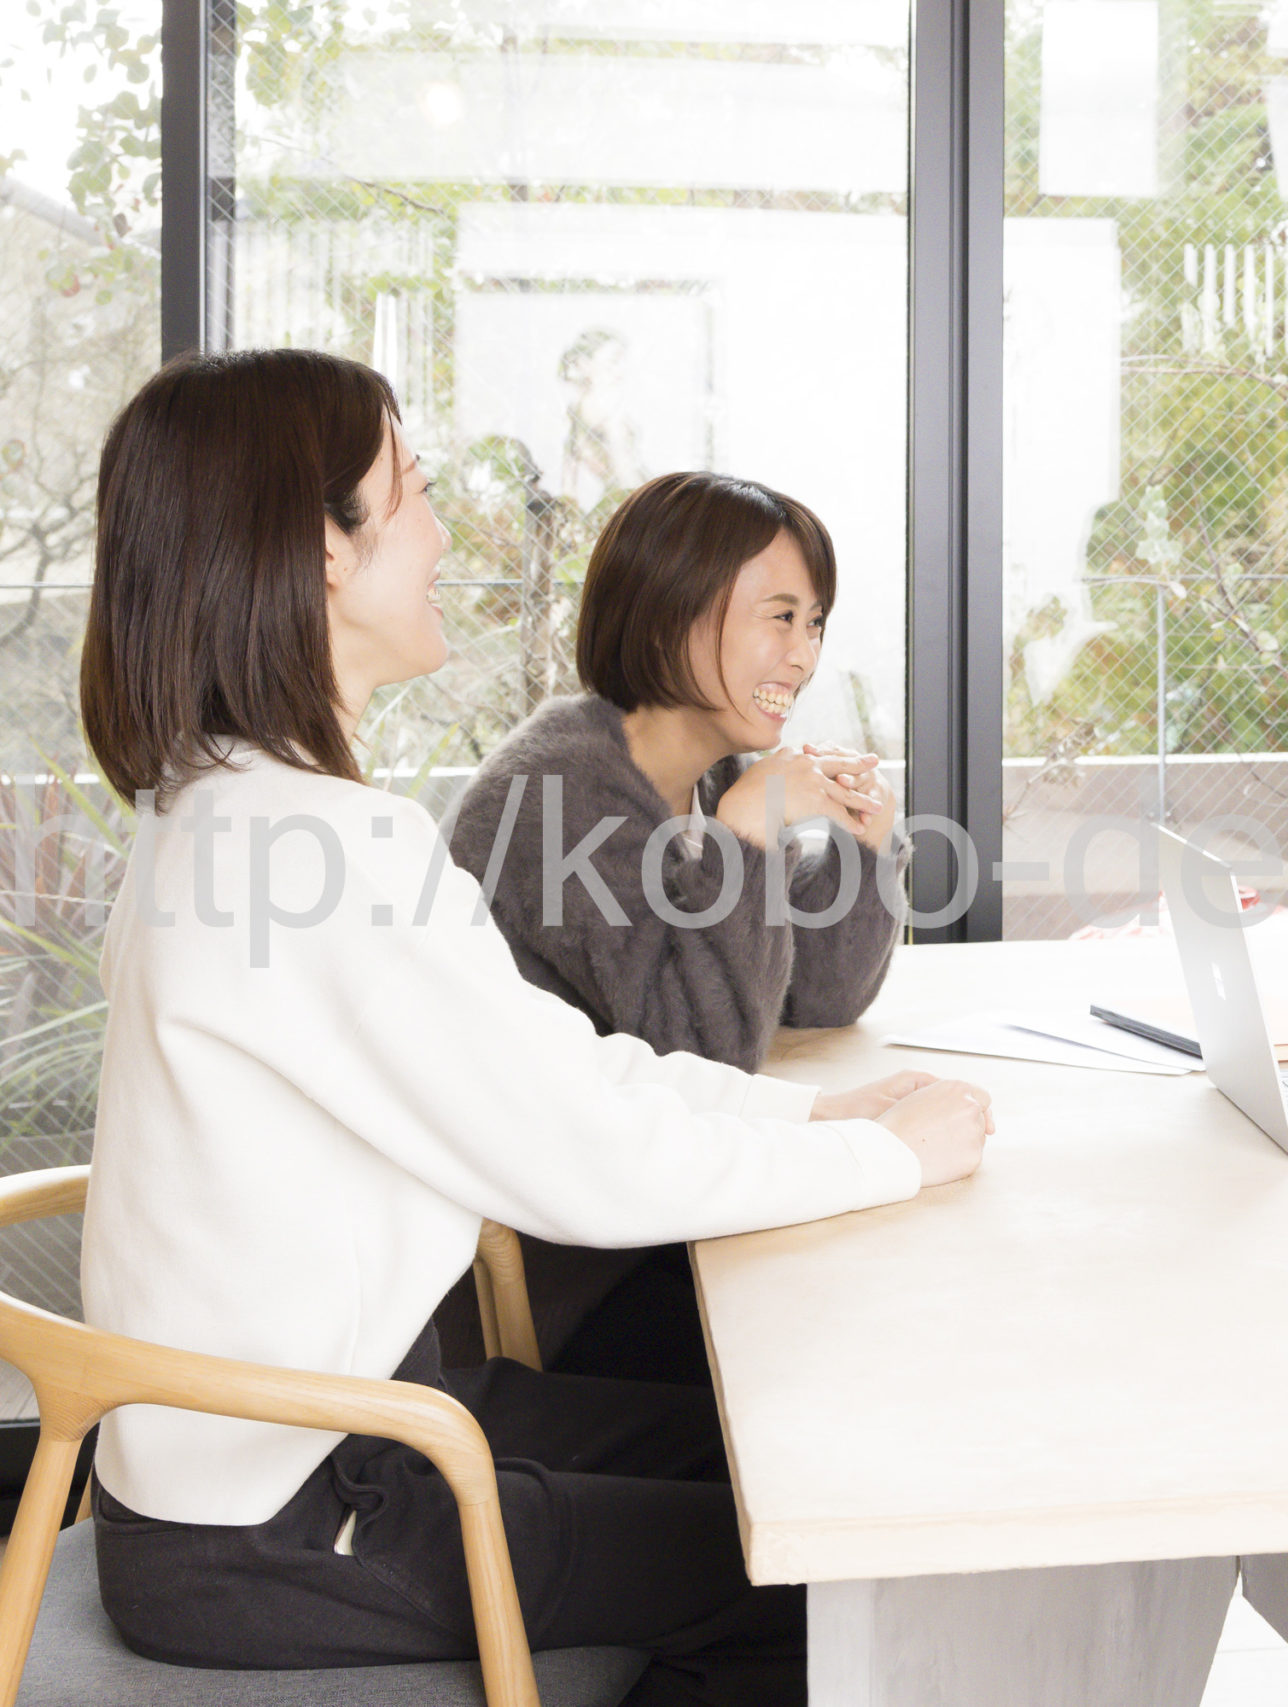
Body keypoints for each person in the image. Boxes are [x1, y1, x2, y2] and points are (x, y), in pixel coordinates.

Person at [75, 347, 993, 1705]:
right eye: (416, 491)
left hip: (319, 1438)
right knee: (821, 1573)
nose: (447, 534)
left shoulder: (229, 811)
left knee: (792, 1462)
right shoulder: (314, 844)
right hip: (294, 1511)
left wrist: (817, 1112)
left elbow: (553, 1061)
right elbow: (588, 1162)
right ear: (322, 549)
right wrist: (885, 1159)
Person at [437, 471, 901, 1384]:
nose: (803, 655)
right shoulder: (555, 798)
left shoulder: (710, 774)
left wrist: (865, 846)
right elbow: (706, 1051)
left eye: (814, 623)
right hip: (572, 1278)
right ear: (670, 615)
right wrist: (747, 836)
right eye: (780, 616)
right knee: (863, 1332)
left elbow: (817, 994)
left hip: (660, 1213)